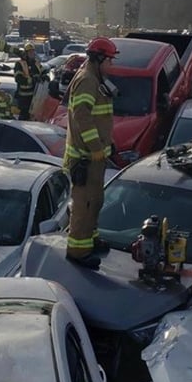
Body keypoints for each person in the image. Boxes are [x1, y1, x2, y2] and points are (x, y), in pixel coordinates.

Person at [64, 37, 119, 269]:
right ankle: (78, 250)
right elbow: (82, 116)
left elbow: (99, 117)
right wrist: (96, 147)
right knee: (84, 205)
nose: (112, 65)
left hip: (94, 159)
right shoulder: (87, 80)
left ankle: (90, 239)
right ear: (98, 59)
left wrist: (108, 142)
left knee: (95, 201)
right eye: (110, 60)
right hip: (86, 159)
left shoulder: (95, 78)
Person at [14, 41, 49, 120]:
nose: (32, 53)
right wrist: (32, 80)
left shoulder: (36, 62)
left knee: (35, 117)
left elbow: (43, 71)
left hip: (36, 95)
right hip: (24, 97)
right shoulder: (20, 64)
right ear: (26, 53)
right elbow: (18, 78)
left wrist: (45, 77)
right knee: (24, 117)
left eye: (33, 51)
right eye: (30, 52)